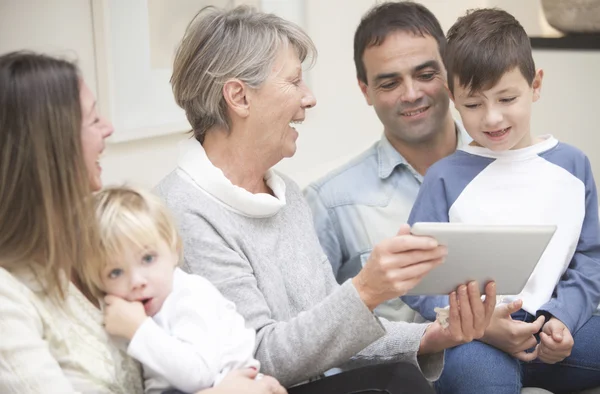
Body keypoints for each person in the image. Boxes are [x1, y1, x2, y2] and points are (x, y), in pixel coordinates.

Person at [154, 5, 496, 392]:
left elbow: (331, 330)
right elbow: (257, 357)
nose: (310, 98)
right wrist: (366, 290)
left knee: (405, 379)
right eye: (294, 82)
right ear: (239, 97)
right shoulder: (183, 211)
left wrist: (433, 337)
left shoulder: (284, 195)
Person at [0, 51, 288, 394]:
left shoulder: (96, 242)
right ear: (52, 148)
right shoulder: (9, 299)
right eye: (93, 120)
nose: (109, 129)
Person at [403, 8, 600, 394]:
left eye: (507, 98)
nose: (492, 119)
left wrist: (563, 317)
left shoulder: (572, 165)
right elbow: (414, 278)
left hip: (552, 327)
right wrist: (480, 324)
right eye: (474, 105)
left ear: (536, 84)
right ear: (452, 98)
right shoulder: (444, 177)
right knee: (484, 382)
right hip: (475, 340)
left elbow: (591, 258)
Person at [304, 1, 471, 323]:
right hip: (403, 372)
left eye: (425, 74)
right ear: (365, 91)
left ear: (450, 71)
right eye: (390, 83)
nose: (411, 94)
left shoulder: (509, 167)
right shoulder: (330, 203)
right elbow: (314, 331)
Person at [83, 186, 278, 394]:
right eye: (115, 272)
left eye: (148, 258)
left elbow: (198, 375)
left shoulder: (190, 294)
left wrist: (138, 329)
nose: (136, 281)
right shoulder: (130, 309)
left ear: (174, 251)